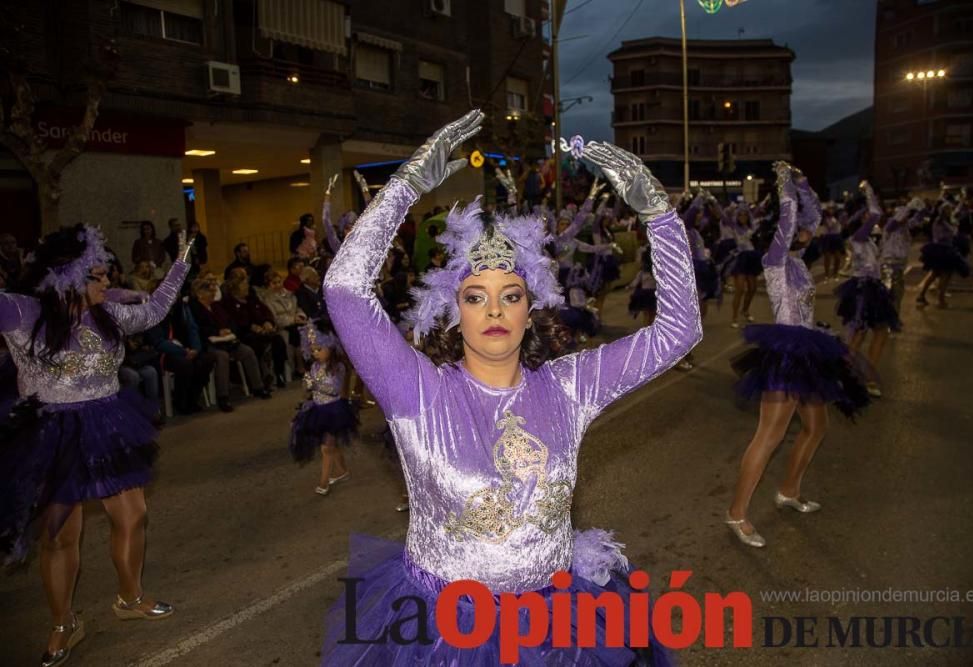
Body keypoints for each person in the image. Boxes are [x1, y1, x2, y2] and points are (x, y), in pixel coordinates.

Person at [321, 111, 701, 663]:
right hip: (447, 633)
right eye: (476, 296)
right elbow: (345, 289)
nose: (494, 308)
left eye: (511, 295)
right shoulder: (418, 392)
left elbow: (678, 331)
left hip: (553, 628)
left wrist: (659, 216)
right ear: (454, 311)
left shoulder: (569, 387)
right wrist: (402, 189)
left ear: (531, 309)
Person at [0, 224, 194, 666]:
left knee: (134, 514)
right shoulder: (23, 312)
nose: (107, 283)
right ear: (69, 275)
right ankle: (63, 622)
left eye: (108, 275)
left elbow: (157, 309)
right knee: (60, 536)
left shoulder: (108, 312)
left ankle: (130, 598)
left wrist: (181, 263)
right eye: (98, 275)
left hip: (108, 423)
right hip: (54, 433)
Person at [726, 164, 870, 549]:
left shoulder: (800, 262)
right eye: (799, 230)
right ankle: (737, 513)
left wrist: (805, 182)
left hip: (809, 351)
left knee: (817, 427)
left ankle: (788, 490)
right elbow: (790, 219)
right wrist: (784, 184)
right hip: (786, 356)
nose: (808, 231)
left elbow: (814, 216)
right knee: (768, 436)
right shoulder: (774, 261)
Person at [833, 182, 900, 397]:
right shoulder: (859, 237)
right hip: (862, 291)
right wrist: (870, 192)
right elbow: (875, 213)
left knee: (881, 332)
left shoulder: (868, 240)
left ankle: (869, 375)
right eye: (865, 216)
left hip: (874, 289)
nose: (871, 220)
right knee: (858, 335)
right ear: (860, 217)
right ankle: (845, 375)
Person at [289, 321, 358, 495]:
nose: (315, 354)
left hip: (334, 411)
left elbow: (335, 389)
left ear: (330, 347)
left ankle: (324, 482)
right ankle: (342, 472)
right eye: (312, 350)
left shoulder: (339, 367)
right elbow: (308, 390)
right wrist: (307, 384)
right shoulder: (314, 366)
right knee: (330, 445)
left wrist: (315, 384)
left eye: (319, 349)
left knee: (326, 448)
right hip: (318, 410)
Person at [188, 279, 271, 410]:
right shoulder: (194, 309)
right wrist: (217, 332)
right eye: (210, 290)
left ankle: (258, 387)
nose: (213, 292)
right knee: (222, 357)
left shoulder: (216, 306)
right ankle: (223, 397)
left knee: (247, 351)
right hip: (209, 344)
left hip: (227, 341)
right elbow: (198, 329)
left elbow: (230, 321)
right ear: (200, 293)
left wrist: (229, 330)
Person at [215, 276, 289, 388]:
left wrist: (267, 322)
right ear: (236, 288)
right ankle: (260, 377)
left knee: (278, 340)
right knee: (255, 344)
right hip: (244, 333)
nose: (247, 287)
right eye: (244, 285)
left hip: (262, 329)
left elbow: (266, 311)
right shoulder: (229, 303)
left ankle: (278, 374)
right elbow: (234, 322)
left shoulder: (252, 299)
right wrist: (251, 327)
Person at [259, 269, 308, 377]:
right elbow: (274, 318)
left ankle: (307, 365)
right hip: (281, 327)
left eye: (279, 282)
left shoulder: (289, 295)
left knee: (306, 329)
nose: (277, 285)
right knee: (294, 333)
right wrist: (292, 320)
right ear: (268, 285)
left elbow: (298, 308)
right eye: (274, 283)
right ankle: (299, 367)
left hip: (295, 323)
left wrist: (299, 316)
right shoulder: (267, 300)